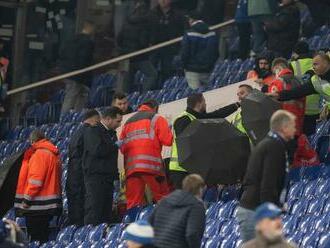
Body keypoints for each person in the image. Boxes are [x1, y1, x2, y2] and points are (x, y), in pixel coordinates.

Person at [237, 110, 296, 242]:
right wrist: (268, 216)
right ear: (284, 127)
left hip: (251, 209)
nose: (295, 129)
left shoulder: (268, 144)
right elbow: (268, 183)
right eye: (293, 126)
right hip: (255, 212)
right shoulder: (274, 146)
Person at [169, 93, 240, 189]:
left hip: (191, 166)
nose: (206, 104)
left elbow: (216, 115)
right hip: (180, 169)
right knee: (186, 199)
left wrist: (236, 105)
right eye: (204, 102)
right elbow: (185, 143)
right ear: (199, 103)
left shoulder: (196, 117)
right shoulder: (183, 119)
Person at [119, 99, 173, 211]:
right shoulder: (157, 118)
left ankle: (132, 226)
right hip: (151, 166)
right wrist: (169, 128)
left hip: (131, 168)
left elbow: (122, 148)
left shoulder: (128, 122)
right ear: (155, 108)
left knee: (133, 202)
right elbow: (168, 141)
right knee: (162, 197)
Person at [15, 130, 62, 243]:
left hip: (37, 205)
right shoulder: (51, 153)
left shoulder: (39, 154)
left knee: (36, 238)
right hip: (47, 204)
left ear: (32, 141)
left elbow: (35, 181)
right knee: (43, 237)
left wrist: (26, 200)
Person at [82, 107, 123, 225]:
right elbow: (97, 150)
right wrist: (114, 146)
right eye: (118, 121)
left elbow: (112, 158)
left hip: (108, 178)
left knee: (106, 212)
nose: (119, 125)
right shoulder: (93, 131)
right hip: (96, 178)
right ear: (109, 119)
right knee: (95, 211)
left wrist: (115, 177)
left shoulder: (111, 134)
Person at [269, 53, 330, 128]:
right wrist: (278, 95)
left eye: (316, 64)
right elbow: (296, 92)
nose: (313, 67)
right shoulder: (315, 82)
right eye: (313, 65)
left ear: (326, 63)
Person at [149, 174, 206, 248]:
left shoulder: (164, 201)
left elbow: (149, 224)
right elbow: (192, 233)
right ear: (200, 189)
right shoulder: (196, 206)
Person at [66, 109, 100, 226]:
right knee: (82, 209)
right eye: (97, 121)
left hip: (72, 174)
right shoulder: (89, 132)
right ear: (94, 119)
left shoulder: (75, 133)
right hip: (81, 174)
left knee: (74, 208)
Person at [117, 0, 158, 93]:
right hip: (140, 56)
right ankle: (143, 94)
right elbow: (143, 42)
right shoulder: (144, 24)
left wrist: (123, 50)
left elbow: (119, 39)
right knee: (152, 74)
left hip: (126, 56)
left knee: (127, 80)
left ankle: (126, 98)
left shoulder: (127, 22)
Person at [60, 21, 95, 114]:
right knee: (74, 96)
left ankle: (68, 118)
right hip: (79, 74)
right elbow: (85, 59)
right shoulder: (87, 42)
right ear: (90, 28)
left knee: (73, 96)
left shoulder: (72, 39)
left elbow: (63, 54)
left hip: (69, 72)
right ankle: (68, 118)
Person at [180, 11, 218, 90]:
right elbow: (216, 53)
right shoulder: (212, 34)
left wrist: (184, 66)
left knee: (196, 96)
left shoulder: (189, 34)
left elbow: (185, 53)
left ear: (191, 20)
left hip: (192, 70)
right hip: (207, 70)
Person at [150, 0, 185, 83]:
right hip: (154, 47)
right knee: (152, 71)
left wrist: (176, 45)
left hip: (170, 47)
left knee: (167, 70)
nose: (163, 1)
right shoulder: (151, 14)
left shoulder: (178, 15)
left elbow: (181, 31)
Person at [290, 41, 321, 136]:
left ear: (296, 52)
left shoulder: (293, 65)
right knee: (313, 138)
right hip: (316, 109)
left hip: (300, 108)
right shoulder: (317, 63)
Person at [268, 58, 305, 136]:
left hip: (282, 127)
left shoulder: (277, 82)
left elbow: (272, 106)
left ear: (276, 69)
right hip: (298, 124)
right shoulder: (299, 81)